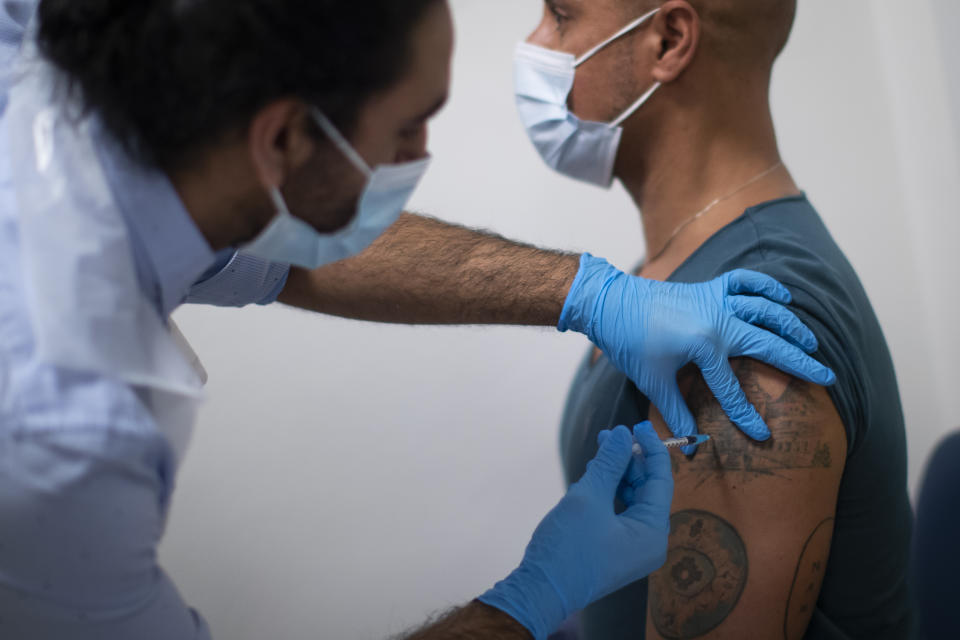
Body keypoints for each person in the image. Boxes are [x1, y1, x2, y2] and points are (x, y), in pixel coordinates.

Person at [0, 1, 834, 638]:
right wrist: (528, 601)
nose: (419, 158)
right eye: (406, 128)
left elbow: (286, 246)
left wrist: (590, 293)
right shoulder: (62, 426)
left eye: (562, 10)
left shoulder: (58, 51)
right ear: (282, 138)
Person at [535, 1, 913, 638]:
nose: (536, 42)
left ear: (669, 41)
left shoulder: (749, 323)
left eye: (560, 14)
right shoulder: (673, 279)